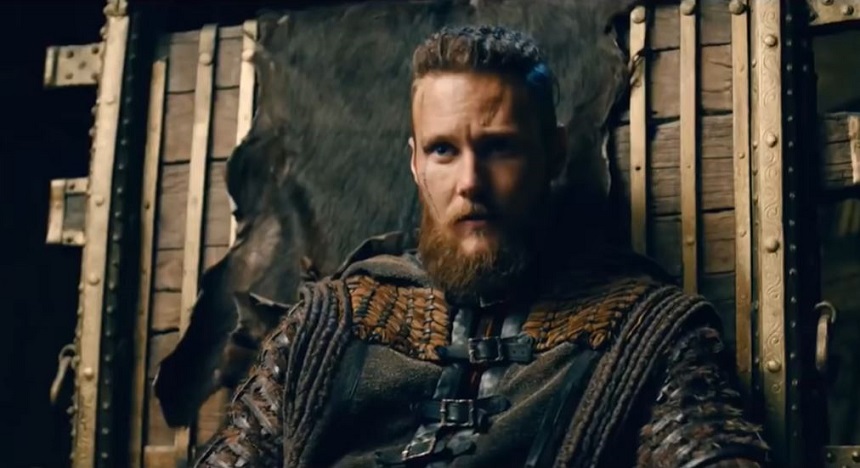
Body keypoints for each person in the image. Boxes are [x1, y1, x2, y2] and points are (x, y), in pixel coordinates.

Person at [193, 25, 769, 467]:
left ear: (554, 153)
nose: (470, 181)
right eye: (444, 150)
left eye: (499, 148)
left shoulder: (645, 333)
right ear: (416, 163)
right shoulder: (331, 321)